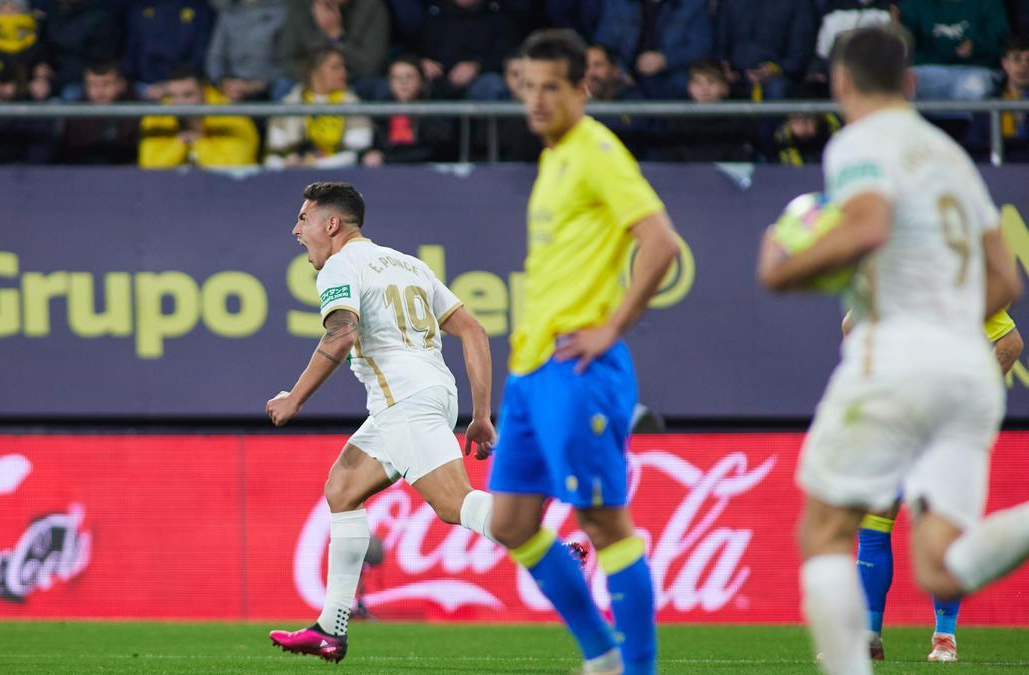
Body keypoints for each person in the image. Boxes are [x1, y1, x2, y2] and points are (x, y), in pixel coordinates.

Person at [757, 26, 1029, 675]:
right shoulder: (952, 157)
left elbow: (869, 223)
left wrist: (782, 263)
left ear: (840, 83)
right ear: (910, 84)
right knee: (940, 565)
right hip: (968, 375)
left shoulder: (860, 143)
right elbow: (1005, 282)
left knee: (822, 530)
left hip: (901, 357)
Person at [488, 29, 681, 675]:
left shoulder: (597, 150)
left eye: (551, 87)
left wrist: (612, 327)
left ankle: (638, 669)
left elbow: (661, 242)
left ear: (581, 89)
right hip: (529, 369)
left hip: (578, 366)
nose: (536, 100)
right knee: (512, 521)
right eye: (528, 85)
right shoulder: (554, 157)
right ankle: (602, 657)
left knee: (605, 524)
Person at [266, 181, 499, 662]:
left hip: (405, 400)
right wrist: (480, 415)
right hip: (426, 393)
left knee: (455, 505)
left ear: (332, 224)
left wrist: (294, 399)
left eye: (304, 219)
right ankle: (330, 628)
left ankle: (553, 547)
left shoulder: (340, 265)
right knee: (343, 488)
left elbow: (341, 334)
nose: (296, 230)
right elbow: (473, 330)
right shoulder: (407, 264)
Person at [849, 310, 1023, 663]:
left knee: (937, 530)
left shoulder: (960, 286)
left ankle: (945, 638)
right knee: (873, 525)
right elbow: (851, 324)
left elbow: (1010, 342)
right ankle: (868, 638)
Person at [264, 46, 372, 168]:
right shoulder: (287, 106)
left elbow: (356, 155)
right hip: (292, 176)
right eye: (335, 67)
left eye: (344, 67)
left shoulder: (354, 105)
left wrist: (314, 165)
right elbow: (272, 156)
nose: (344, 73)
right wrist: (286, 164)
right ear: (313, 72)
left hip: (339, 179)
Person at [139, 65, 259, 168]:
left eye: (188, 95)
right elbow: (149, 166)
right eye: (173, 96)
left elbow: (236, 168)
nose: (179, 103)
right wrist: (180, 143)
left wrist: (199, 143)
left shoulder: (231, 116)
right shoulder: (157, 117)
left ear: (204, 92)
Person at [652, 58, 755, 162]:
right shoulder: (676, 121)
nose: (704, 88)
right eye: (698, 82)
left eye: (711, 81)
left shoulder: (738, 121)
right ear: (689, 87)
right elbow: (670, 163)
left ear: (724, 88)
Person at [714, 0, 818, 100]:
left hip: (778, 76)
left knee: (776, 88)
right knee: (712, 86)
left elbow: (798, 57)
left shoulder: (799, 3)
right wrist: (724, 68)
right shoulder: (729, 2)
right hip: (735, 74)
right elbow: (720, 44)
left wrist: (772, 69)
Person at [363, 56, 455, 165]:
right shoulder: (381, 110)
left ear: (421, 81)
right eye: (397, 77)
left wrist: (388, 159)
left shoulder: (435, 110)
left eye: (409, 77)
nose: (403, 82)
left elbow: (434, 151)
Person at [59, 59, 139, 165]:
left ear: (121, 85)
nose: (100, 91)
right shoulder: (75, 115)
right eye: (93, 84)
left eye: (107, 84)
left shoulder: (136, 112)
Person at [204, 0, 285, 102]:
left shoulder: (282, 13)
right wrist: (222, 82)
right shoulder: (228, 13)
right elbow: (215, 57)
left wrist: (259, 84)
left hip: (271, 86)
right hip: (232, 84)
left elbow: (288, 61)